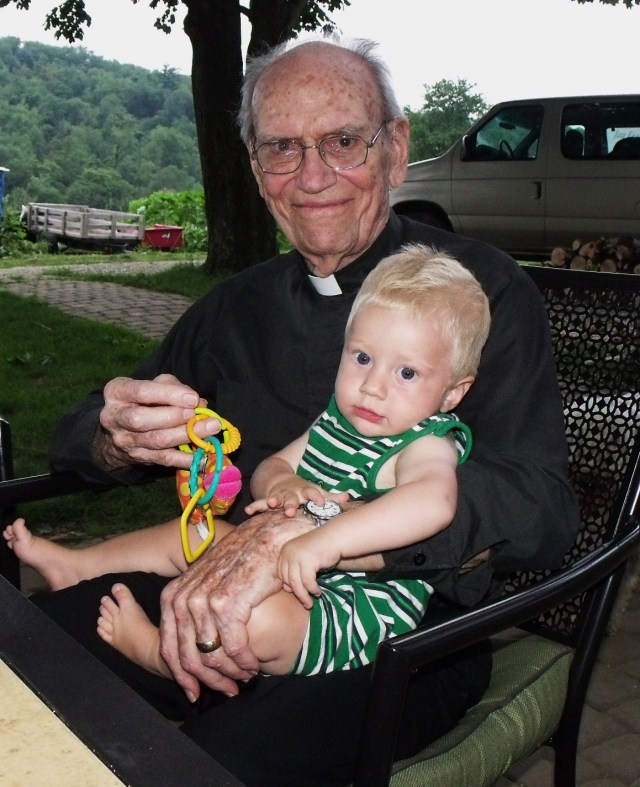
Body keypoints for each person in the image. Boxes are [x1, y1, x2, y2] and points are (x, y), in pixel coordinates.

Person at [31, 34, 580, 787]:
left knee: (209, 764)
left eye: (343, 141)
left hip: (404, 633)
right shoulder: (235, 307)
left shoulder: (477, 294)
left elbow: (543, 508)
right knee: (29, 657)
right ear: (256, 170)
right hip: (218, 591)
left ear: (395, 147)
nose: (313, 176)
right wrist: (113, 433)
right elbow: (79, 439)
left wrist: (320, 531)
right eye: (283, 148)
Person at [7, 246, 491, 680]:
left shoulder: (427, 443)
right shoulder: (339, 419)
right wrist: (288, 482)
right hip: (292, 571)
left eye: (406, 372)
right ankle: (80, 564)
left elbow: (432, 505)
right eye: (362, 357)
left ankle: (158, 653)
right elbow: (268, 469)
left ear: (452, 393)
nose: (373, 385)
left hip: (347, 614)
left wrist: (326, 541)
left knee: (254, 619)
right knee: (200, 531)